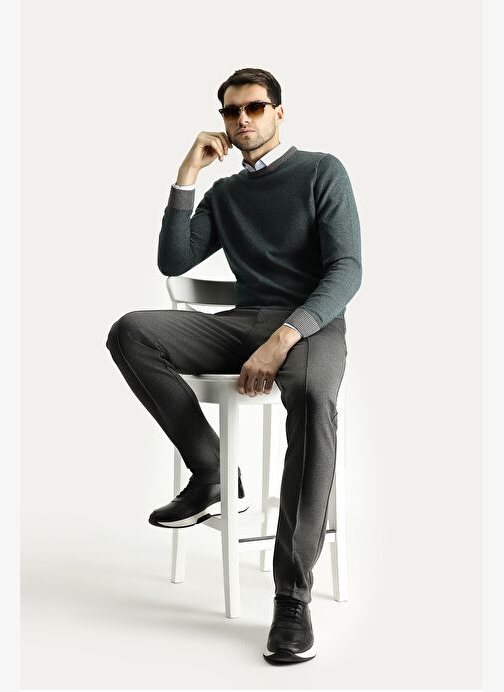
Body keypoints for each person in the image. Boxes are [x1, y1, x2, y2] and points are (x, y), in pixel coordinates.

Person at [106, 67, 362, 665]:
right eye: (230, 111)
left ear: (279, 112)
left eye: (254, 107)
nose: (242, 119)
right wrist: (187, 175)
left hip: (311, 326)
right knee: (131, 332)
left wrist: (284, 337)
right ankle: (214, 472)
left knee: (313, 399)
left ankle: (292, 599)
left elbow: (347, 269)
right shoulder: (226, 194)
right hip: (243, 322)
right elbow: (174, 260)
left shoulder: (322, 170)